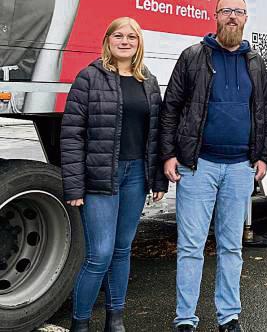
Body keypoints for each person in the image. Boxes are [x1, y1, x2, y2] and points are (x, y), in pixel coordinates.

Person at [159, 0, 267, 332]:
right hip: (197, 167)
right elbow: (170, 109)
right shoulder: (193, 56)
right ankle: (185, 319)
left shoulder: (255, 62)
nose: (232, 17)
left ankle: (228, 316)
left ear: (246, 18)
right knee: (191, 247)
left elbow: (263, 111)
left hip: (239, 168)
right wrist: (169, 154)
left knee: (231, 247)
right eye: (226, 11)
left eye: (239, 11)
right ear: (215, 15)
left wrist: (262, 155)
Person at [60, 17, 167, 332]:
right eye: (118, 35)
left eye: (131, 36)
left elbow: (156, 134)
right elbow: (71, 135)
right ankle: (80, 324)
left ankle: (115, 318)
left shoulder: (148, 80)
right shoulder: (89, 78)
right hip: (100, 176)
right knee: (100, 254)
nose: (125, 41)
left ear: (139, 43)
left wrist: (157, 179)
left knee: (123, 248)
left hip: (136, 176)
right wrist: (74, 186)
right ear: (107, 40)